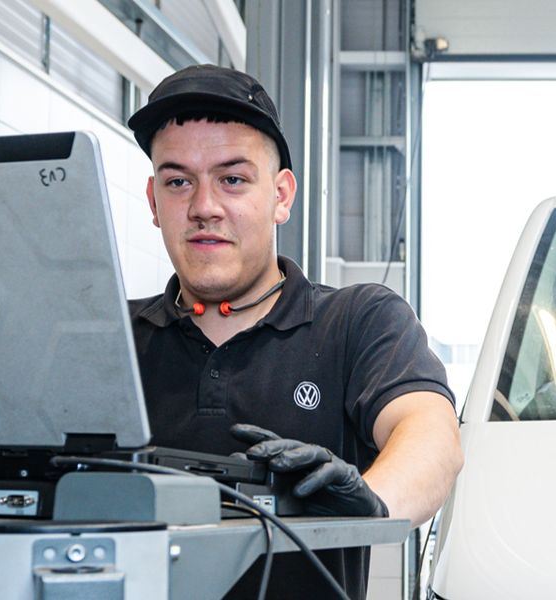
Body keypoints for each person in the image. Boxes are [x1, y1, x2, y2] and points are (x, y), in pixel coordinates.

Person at [123, 64, 463, 600]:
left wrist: (369, 499)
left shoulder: (357, 321)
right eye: (178, 182)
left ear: (281, 195)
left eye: (233, 179)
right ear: (153, 202)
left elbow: (431, 436)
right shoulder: (112, 339)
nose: (204, 207)